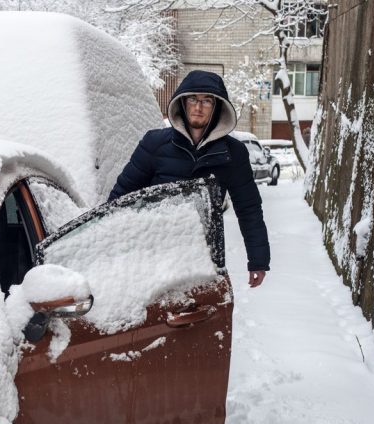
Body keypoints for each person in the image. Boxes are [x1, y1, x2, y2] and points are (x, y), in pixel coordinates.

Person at [108, 70, 270, 287]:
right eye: (192, 99)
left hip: (205, 255)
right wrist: (107, 245)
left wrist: (258, 260)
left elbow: (248, 208)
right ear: (182, 103)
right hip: (154, 251)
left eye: (206, 101)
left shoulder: (233, 153)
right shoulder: (155, 144)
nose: (198, 107)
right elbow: (122, 195)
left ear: (217, 107)